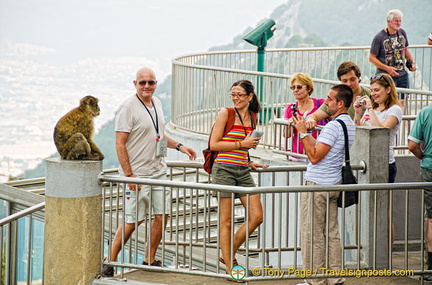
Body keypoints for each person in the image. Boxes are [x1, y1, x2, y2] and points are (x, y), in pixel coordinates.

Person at [102, 67, 197, 277]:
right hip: (138, 174)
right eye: (142, 82)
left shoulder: (157, 104)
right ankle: (109, 261)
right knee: (132, 221)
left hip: (158, 172)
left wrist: (180, 146)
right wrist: (129, 175)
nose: (147, 86)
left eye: (151, 82)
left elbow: (159, 135)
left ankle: (150, 258)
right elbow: (120, 144)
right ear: (134, 83)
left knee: (162, 216)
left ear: (156, 84)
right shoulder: (127, 108)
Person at [292, 84, 355, 285]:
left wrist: (302, 133)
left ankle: (315, 280)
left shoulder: (332, 127)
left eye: (329, 99)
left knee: (312, 234)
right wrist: (309, 133)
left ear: (340, 104)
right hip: (334, 182)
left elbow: (315, 156)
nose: (326, 102)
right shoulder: (349, 124)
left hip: (318, 185)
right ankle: (335, 277)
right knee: (332, 233)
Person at [210, 80, 268, 274]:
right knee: (226, 220)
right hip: (223, 169)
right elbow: (214, 145)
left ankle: (227, 251)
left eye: (240, 95)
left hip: (242, 169)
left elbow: (246, 145)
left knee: (257, 216)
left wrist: (248, 159)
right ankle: (229, 266)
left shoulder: (253, 117)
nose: (235, 98)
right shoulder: (225, 113)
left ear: (250, 97)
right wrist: (241, 145)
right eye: (233, 94)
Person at [354, 73, 402, 247]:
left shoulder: (394, 110)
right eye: (372, 90)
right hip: (367, 162)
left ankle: (386, 252)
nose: (373, 94)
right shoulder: (371, 110)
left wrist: (370, 110)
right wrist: (358, 114)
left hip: (384, 164)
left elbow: (381, 131)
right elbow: (359, 129)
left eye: (377, 90)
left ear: (388, 90)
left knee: (384, 211)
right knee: (370, 210)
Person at [369, 9, 417, 106]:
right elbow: (371, 58)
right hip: (386, 76)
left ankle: (399, 120)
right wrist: (387, 69)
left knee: (402, 102)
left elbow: (406, 49)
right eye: (396, 20)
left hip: (402, 74)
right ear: (388, 21)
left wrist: (411, 62)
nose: (398, 23)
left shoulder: (402, 33)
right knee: (387, 103)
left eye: (400, 21)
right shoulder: (379, 37)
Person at [305, 61, 370, 129]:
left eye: (352, 79)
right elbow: (314, 116)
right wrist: (311, 119)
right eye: (345, 81)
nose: (349, 84)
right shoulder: (336, 96)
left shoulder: (370, 95)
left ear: (358, 78)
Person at [408, 104, 432, 281]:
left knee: (431, 219)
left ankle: (431, 269)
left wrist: (424, 156)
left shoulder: (425, 113)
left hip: (429, 168)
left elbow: (412, 145)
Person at [283, 72, 327, 161]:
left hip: (316, 153)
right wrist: (290, 124)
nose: (295, 90)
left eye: (299, 87)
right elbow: (286, 135)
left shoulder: (320, 104)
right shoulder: (290, 108)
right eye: (293, 87)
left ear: (309, 89)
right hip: (296, 155)